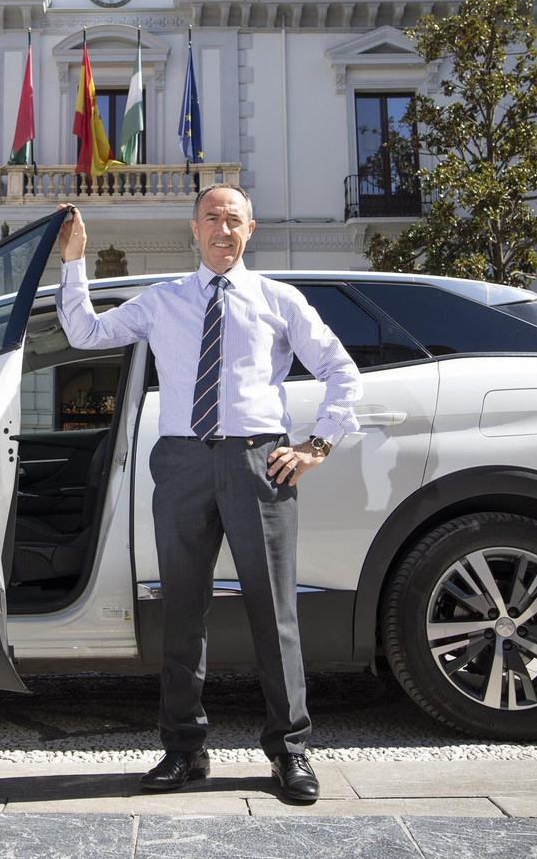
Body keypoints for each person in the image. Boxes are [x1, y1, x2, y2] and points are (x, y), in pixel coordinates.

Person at [54, 187, 362, 803]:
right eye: (212, 218)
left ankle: (291, 753)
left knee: (273, 613)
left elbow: (340, 370)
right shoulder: (162, 300)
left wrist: (317, 446)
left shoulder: (280, 300)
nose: (224, 229)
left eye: (234, 219)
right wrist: (73, 261)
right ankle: (184, 751)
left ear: (252, 228)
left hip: (259, 463)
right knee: (182, 611)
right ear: (193, 229)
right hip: (182, 462)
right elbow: (85, 333)